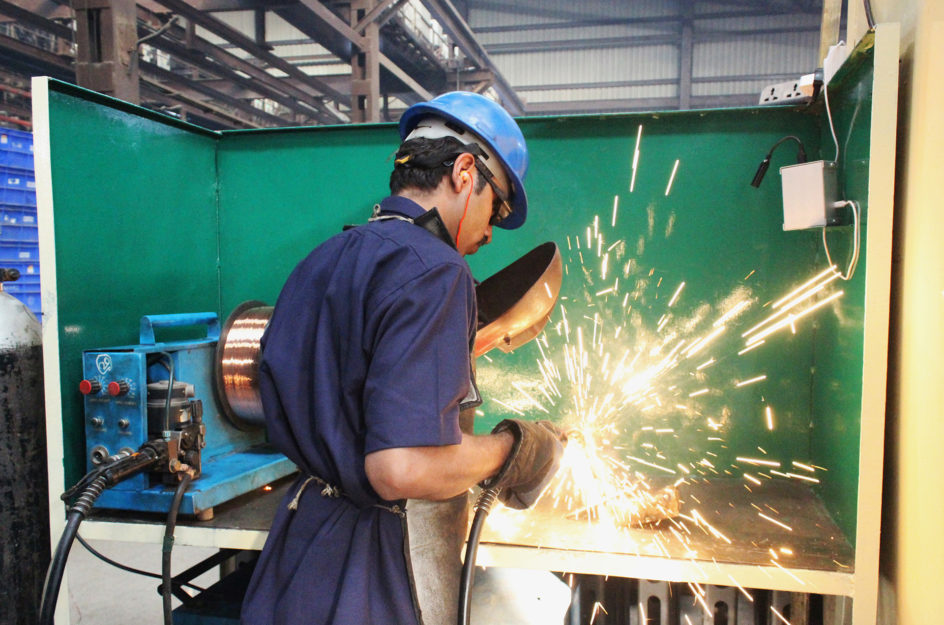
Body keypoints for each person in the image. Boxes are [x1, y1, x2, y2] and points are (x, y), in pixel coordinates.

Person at [240, 91, 566, 625]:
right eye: (497, 207)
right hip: (371, 574)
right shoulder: (437, 270)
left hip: (297, 554)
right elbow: (401, 467)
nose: (488, 231)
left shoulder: (326, 257)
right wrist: (515, 448)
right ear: (464, 171)